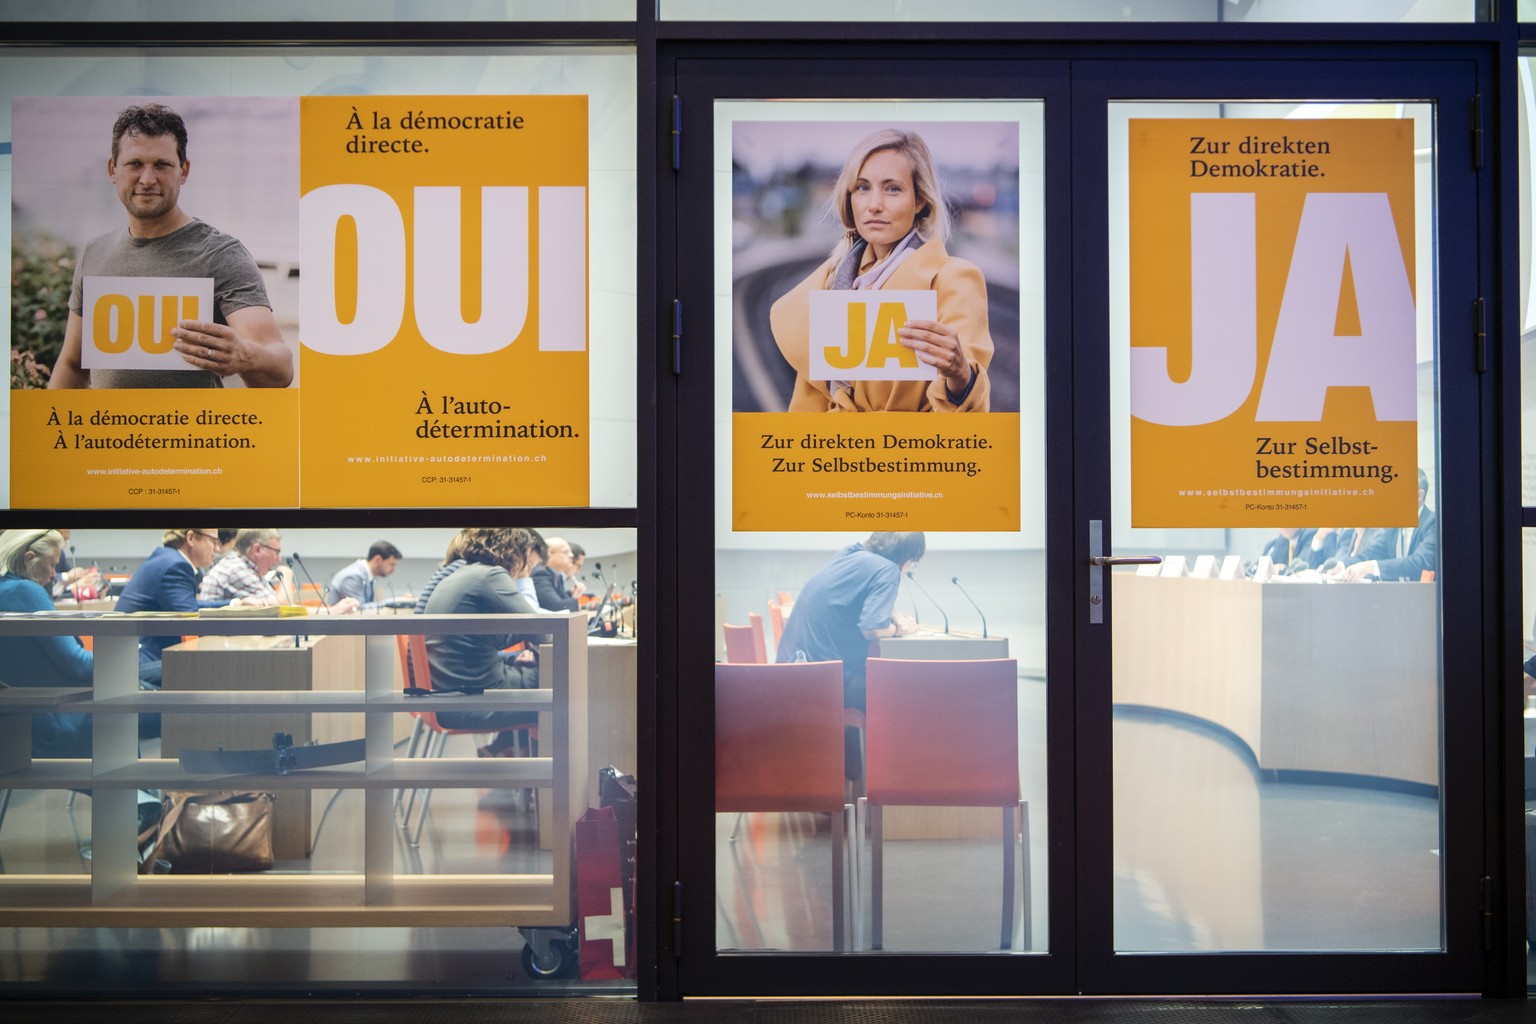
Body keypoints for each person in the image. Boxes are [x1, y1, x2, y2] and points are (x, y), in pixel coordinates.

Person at [48, 103, 293, 389]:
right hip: (109, 434)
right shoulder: (95, 252)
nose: (148, 179)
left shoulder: (220, 254)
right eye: (135, 164)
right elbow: (73, 367)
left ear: (183, 171)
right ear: (113, 169)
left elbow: (281, 368)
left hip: (190, 434)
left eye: (162, 165)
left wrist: (245, 356)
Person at [768, 129, 992, 413]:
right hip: (837, 455)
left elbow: (972, 414)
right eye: (862, 188)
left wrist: (961, 375)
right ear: (849, 197)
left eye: (892, 189)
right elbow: (806, 410)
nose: (874, 205)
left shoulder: (954, 280)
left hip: (919, 454)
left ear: (920, 200)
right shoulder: (830, 285)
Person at [423, 528, 543, 755]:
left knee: (542, 675)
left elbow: (476, 641)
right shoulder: (491, 575)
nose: (527, 564)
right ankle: (547, 783)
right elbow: (542, 632)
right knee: (567, 686)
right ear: (515, 551)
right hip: (475, 701)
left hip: (453, 696)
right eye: (526, 554)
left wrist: (513, 653)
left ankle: (513, 760)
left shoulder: (464, 574)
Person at [774, 531, 924, 712]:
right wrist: (900, 629)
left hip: (788, 672)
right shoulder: (888, 569)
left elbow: (852, 599)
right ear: (907, 557)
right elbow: (872, 629)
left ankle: (851, 740)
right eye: (913, 563)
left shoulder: (850, 553)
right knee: (902, 690)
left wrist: (891, 614)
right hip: (819, 683)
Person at [0, 530, 93, 757]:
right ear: (29, 558)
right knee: (138, 711)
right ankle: (142, 792)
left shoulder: (5, 589)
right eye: (51, 565)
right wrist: (124, 664)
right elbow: (76, 663)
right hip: (59, 722)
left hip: (21, 718)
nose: (54, 575)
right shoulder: (24, 591)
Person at [115, 529, 225, 688]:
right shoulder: (176, 566)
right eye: (214, 541)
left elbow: (188, 607)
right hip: (139, 662)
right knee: (215, 668)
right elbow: (192, 621)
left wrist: (234, 604)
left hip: (133, 656)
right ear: (191, 538)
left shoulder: (167, 558)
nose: (217, 549)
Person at [1344, 468, 1439, 582]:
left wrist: (1373, 567)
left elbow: (1419, 562)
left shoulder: (1433, 523)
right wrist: (1341, 565)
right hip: (1398, 596)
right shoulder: (1392, 528)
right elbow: (1368, 555)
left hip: (1428, 597)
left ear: (1419, 496)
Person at [197, 528, 284, 606]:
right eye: (276, 552)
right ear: (257, 549)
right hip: (214, 624)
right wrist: (286, 575)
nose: (279, 559)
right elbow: (281, 606)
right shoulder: (236, 568)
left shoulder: (248, 568)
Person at [326, 540, 403, 609]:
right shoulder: (353, 576)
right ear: (377, 559)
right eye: (392, 564)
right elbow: (358, 610)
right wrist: (393, 602)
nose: (394, 570)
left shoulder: (368, 576)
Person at [531, 536, 588, 612]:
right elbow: (557, 607)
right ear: (549, 554)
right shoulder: (541, 573)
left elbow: (563, 600)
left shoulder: (556, 575)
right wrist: (577, 601)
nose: (571, 555)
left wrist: (572, 594)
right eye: (565, 552)